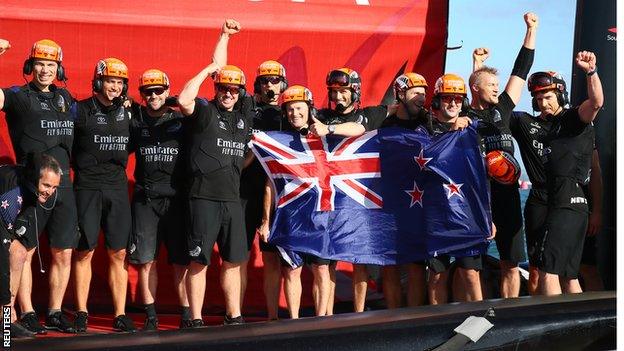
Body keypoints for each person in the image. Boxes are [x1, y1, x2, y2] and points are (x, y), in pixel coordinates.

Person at [177, 19, 255, 327]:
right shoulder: (206, 111)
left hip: (231, 200)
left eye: (234, 90)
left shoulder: (243, 117)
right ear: (216, 88)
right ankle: (195, 318)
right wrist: (211, 67)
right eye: (223, 88)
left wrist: (238, 166)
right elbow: (183, 100)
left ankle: (233, 316)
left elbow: (249, 153)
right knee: (199, 261)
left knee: (234, 262)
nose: (229, 94)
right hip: (203, 198)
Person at [0, 38, 78, 334]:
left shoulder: (66, 98)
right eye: (40, 64)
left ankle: (55, 312)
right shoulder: (19, 96)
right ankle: (26, 312)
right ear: (29, 66)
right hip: (31, 188)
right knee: (23, 251)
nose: (45, 70)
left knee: (63, 251)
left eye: (51, 64)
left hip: (65, 186)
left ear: (59, 68)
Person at [510, 51, 603, 296]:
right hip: (559, 200)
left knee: (549, 270)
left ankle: (551, 326)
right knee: (569, 277)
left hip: (567, 201)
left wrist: (591, 72)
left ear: (560, 95)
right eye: (538, 99)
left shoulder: (574, 118)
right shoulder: (541, 125)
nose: (543, 103)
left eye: (548, 97)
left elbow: (595, 103)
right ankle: (582, 326)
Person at [469, 12, 538, 298]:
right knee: (472, 264)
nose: (497, 89)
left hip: (508, 196)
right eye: (491, 85)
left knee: (511, 263)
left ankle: (507, 316)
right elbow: (472, 86)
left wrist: (531, 30)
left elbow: (521, 70)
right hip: (477, 197)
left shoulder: (504, 109)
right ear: (476, 88)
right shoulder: (464, 115)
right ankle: (473, 311)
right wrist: (476, 66)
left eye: (498, 86)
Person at [314, 67, 387, 313]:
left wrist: (329, 130)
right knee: (325, 261)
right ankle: (325, 317)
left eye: (343, 91)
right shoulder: (319, 115)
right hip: (327, 198)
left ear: (355, 91)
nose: (338, 97)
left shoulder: (371, 114)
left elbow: (359, 128)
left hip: (358, 200)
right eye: (334, 91)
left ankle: (359, 314)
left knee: (360, 261)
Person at [257, 85, 333, 318]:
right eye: (289, 109)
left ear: (309, 109)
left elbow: (360, 128)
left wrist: (329, 129)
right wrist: (266, 221)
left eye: (299, 108)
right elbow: (270, 184)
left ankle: (321, 324)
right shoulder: (277, 140)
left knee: (321, 268)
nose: (294, 113)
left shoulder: (327, 135)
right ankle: (294, 323)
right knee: (291, 269)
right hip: (290, 215)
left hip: (322, 213)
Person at [71, 57, 136, 332]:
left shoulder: (129, 112)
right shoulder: (80, 110)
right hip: (87, 186)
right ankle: (82, 312)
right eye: (110, 81)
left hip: (117, 188)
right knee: (84, 251)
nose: (114, 87)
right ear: (98, 81)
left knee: (118, 252)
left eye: (120, 82)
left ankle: (120, 314)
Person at [128, 69, 190, 330]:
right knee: (145, 261)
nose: (153, 96)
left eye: (158, 91)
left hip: (176, 202)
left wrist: (174, 101)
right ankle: (151, 316)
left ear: (167, 91)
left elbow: (200, 107)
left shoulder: (181, 120)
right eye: (148, 91)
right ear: (141, 94)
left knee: (181, 262)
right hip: (146, 200)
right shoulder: (136, 121)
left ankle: (187, 315)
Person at [425, 73, 493, 304]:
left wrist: (487, 216)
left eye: (458, 98)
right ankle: (436, 323)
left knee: (471, 274)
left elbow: (479, 178)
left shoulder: (471, 130)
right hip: (435, 214)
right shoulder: (424, 129)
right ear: (436, 101)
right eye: (447, 98)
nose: (453, 103)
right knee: (437, 276)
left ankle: (482, 320)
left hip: (467, 215)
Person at [241, 60, 288, 320]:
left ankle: (273, 317)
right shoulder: (246, 106)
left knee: (272, 259)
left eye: (274, 81)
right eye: (265, 81)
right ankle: (234, 314)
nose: (270, 86)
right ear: (257, 84)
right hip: (244, 192)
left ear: (283, 83)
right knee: (239, 256)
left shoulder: (289, 111)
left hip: (277, 193)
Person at [378, 73, 430, 308]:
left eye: (424, 93)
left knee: (417, 264)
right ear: (400, 94)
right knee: (390, 263)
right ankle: (392, 319)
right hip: (389, 201)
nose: (422, 97)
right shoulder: (383, 123)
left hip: (420, 201)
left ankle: (416, 319)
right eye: (416, 93)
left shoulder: (428, 121)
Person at [1, 153, 62, 338]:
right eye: (46, 185)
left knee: (19, 252)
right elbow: (2, 258)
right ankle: (5, 321)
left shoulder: (29, 187)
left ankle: (7, 319)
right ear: (35, 179)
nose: (50, 192)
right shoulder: (11, 197)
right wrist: (5, 306)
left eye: (54, 187)